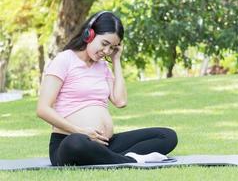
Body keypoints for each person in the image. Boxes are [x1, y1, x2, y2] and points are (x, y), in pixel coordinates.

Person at [36, 11, 178, 166]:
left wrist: (116, 60)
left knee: (167, 136)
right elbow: (43, 109)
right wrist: (80, 131)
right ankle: (131, 160)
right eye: (104, 44)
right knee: (76, 143)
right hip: (69, 142)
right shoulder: (64, 60)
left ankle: (109, 158)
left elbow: (120, 101)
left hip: (105, 143)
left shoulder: (103, 66)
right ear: (89, 34)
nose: (107, 51)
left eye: (112, 47)